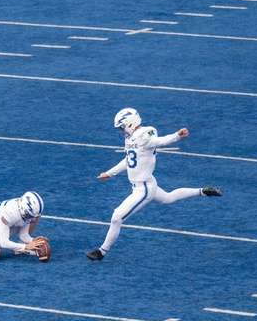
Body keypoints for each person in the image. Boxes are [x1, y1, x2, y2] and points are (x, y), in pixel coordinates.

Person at [86, 108, 222, 261]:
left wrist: (176, 136)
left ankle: (101, 252)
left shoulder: (145, 134)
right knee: (168, 198)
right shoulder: (130, 138)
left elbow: (159, 141)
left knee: (117, 217)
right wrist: (110, 173)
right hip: (145, 184)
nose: (121, 130)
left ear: (130, 124)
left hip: (143, 189)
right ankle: (203, 191)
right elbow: (129, 159)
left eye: (122, 126)